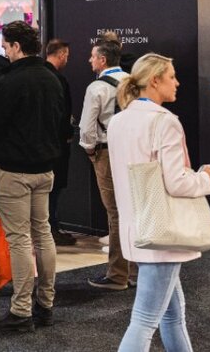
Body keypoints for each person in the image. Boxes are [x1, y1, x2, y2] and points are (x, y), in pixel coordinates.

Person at [108, 53, 210, 351]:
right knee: (145, 321)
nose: (177, 82)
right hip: (163, 233)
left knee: (172, 315)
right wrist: (206, 179)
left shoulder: (119, 120)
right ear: (155, 80)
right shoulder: (165, 122)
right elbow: (177, 181)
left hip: (138, 228)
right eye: (172, 76)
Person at [0, 21, 63, 332]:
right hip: (45, 169)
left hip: (15, 171)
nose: (4, 52)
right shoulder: (52, 78)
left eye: (5, 46)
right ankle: (46, 305)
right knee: (43, 235)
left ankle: (20, 310)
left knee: (18, 240)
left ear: (16, 46)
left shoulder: (9, 82)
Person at [79, 38, 137, 290]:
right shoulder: (133, 82)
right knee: (133, 210)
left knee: (115, 213)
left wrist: (90, 150)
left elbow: (86, 127)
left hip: (107, 151)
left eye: (93, 56)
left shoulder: (96, 87)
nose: (90, 60)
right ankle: (136, 271)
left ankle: (117, 274)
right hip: (133, 152)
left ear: (103, 59)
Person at [43, 39, 76, 246]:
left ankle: (49, 227)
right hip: (56, 145)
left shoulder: (42, 76)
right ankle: (52, 228)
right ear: (62, 54)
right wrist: (67, 132)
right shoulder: (58, 80)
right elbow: (62, 113)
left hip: (43, 145)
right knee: (53, 190)